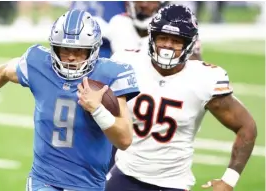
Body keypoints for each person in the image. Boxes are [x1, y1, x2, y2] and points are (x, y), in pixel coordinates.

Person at [0, 10, 140, 191]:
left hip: (88, 182)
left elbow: (124, 140)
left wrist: (97, 109)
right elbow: (2, 72)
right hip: (44, 179)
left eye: (80, 50)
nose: (72, 57)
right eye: (65, 49)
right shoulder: (39, 63)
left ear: (93, 50)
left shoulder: (110, 76)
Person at [106, 4, 257, 191]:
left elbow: (247, 126)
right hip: (124, 175)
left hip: (173, 184)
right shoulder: (127, 63)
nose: (168, 46)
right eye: (163, 37)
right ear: (152, 37)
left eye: (176, 40)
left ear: (189, 44)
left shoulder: (204, 79)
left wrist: (229, 180)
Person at [108, 1, 202, 60]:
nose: (144, 4)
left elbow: (195, 65)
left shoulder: (179, 27)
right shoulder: (119, 22)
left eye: (151, 1)